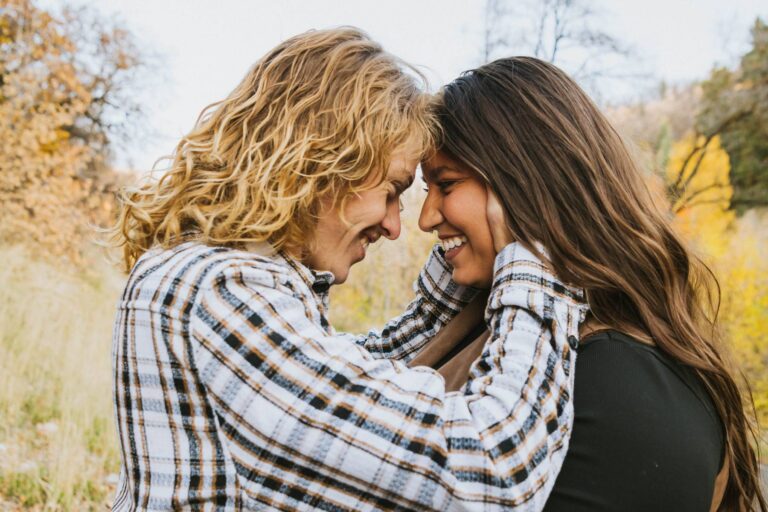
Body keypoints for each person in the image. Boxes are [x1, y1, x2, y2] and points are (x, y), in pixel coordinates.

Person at [109, 29, 587, 510]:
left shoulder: (203, 276)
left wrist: (451, 290)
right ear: (322, 164)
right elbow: (490, 476)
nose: (398, 225)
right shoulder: (222, 292)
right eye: (392, 191)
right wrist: (533, 264)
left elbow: (356, 381)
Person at [418, 56, 767, 511]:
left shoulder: (621, 383)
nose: (426, 217)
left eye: (445, 184)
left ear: (523, 184)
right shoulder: (488, 331)